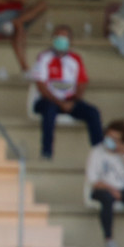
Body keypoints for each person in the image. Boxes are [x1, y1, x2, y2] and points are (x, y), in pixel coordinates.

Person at [30, 25, 102, 159]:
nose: (60, 40)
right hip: (48, 101)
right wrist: (59, 102)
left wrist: (72, 102)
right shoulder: (43, 57)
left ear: (70, 41)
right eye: (57, 37)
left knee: (93, 113)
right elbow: (41, 86)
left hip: (70, 101)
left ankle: (100, 155)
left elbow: (82, 84)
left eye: (64, 37)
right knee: (49, 110)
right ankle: (46, 153)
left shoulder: (76, 59)